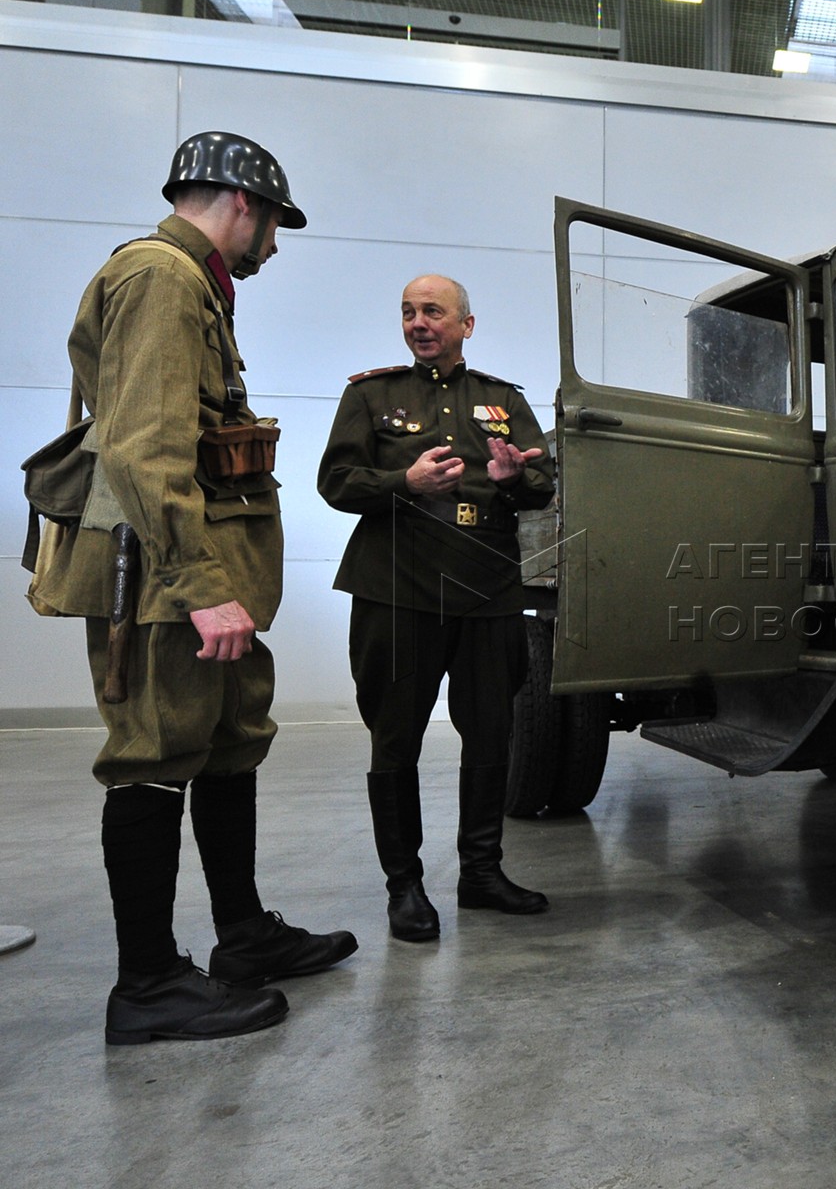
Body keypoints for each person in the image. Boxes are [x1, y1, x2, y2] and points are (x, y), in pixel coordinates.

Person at [27, 132, 357, 1044]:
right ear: (240, 204)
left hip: (204, 576)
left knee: (227, 739)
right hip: (171, 581)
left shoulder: (191, 285)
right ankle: (146, 984)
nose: (274, 248)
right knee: (155, 753)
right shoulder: (162, 278)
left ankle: (240, 935)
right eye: (274, 226)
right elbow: (144, 447)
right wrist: (198, 586)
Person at [318, 275, 556, 943]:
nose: (418, 322)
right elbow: (335, 481)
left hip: (487, 589)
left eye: (432, 311)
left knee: (490, 733)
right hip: (397, 589)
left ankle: (481, 873)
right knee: (396, 738)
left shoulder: (501, 400)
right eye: (407, 312)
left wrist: (513, 481)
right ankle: (406, 887)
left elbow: (541, 480)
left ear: (465, 324)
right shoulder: (371, 394)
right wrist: (405, 480)